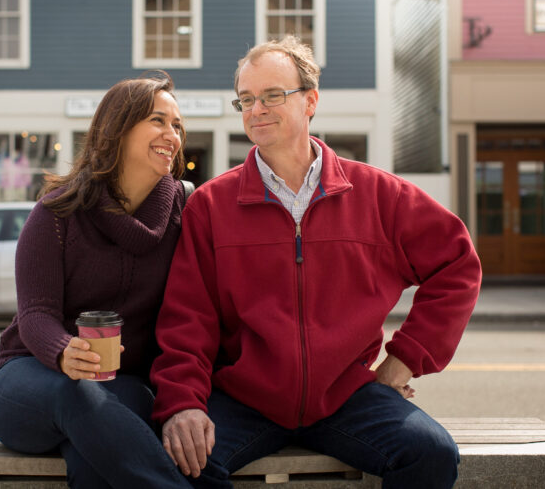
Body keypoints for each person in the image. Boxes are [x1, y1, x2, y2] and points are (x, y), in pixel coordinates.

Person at [150, 36, 482, 489]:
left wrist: (402, 362)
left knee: (431, 453)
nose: (257, 109)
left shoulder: (379, 195)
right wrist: (183, 403)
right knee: (179, 461)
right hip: (244, 399)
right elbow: (188, 319)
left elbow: (457, 263)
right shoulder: (211, 205)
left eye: (272, 95)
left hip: (346, 397)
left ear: (310, 100)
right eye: (246, 99)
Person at [0, 72, 193, 489]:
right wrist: (63, 352)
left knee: (95, 454)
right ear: (117, 128)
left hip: (123, 385)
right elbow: (36, 314)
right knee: (81, 397)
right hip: (31, 377)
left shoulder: (184, 210)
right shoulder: (57, 212)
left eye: (177, 125)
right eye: (157, 120)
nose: (172, 134)